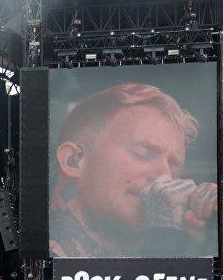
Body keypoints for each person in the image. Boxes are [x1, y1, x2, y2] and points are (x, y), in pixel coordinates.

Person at [49, 82, 214, 257]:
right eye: (142, 154)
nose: (165, 176)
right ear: (73, 161)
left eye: (173, 166)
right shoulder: (35, 261)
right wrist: (166, 236)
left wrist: (208, 239)